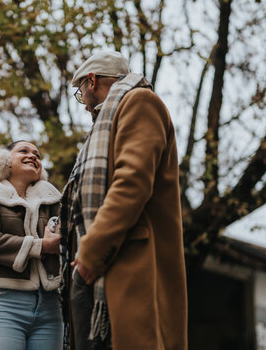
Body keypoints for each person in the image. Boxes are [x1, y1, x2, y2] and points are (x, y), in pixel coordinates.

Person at [60, 50, 188, 350]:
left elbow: (132, 182)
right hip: (100, 265)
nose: (83, 102)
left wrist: (91, 252)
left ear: (91, 81)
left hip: (122, 260)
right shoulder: (108, 118)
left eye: (80, 92)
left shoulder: (139, 102)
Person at [0, 140, 63, 350]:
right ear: (5, 160)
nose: (33, 156)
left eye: (37, 154)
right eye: (23, 151)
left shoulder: (53, 201)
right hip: (5, 303)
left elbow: (69, 240)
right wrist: (41, 246)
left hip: (50, 305)